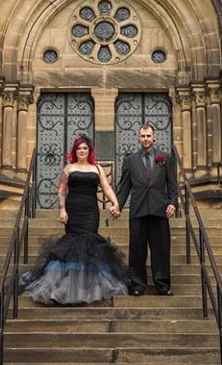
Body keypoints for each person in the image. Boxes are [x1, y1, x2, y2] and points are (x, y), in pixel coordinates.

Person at [21, 135, 130, 304]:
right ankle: (66, 290)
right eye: (79, 148)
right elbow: (61, 190)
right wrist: (62, 210)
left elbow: (106, 187)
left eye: (85, 148)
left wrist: (115, 203)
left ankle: (88, 289)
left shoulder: (97, 168)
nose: (82, 151)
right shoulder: (69, 169)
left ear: (89, 151)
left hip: (91, 211)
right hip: (73, 210)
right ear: (75, 151)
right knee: (73, 246)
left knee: (89, 244)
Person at [113, 123, 178, 296]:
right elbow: (124, 186)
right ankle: (137, 284)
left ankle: (162, 284)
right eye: (143, 136)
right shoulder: (130, 160)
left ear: (154, 137)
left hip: (159, 209)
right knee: (137, 249)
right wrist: (117, 205)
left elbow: (172, 185)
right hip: (138, 210)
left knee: (161, 249)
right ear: (138, 138)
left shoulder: (165, 158)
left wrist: (172, 203)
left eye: (149, 136)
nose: (146, 139)